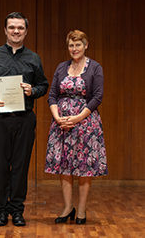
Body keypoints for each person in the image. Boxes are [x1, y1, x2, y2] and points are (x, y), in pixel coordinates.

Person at [0, 12, 49, 226]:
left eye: (20, 28)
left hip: (24, 119)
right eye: (11, 27)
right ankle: (1, 210)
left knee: (20, 166)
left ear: (26, 31)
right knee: (0, 166)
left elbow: (43, 85)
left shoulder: (34, 58)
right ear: (5, 30)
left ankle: (17, 210)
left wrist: (33, 91)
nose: (15, 31)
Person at [45, 30, 108, 225]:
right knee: (64, 164)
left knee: (83, 166)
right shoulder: (61, 67)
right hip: (62, 124)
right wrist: (58, 118)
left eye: (78, 44)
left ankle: (81, 208)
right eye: (71, 45)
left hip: (86, 124)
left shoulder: (95, 68)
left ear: (86, 45)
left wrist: (77, 118)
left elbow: (97, 97)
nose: (74, 49)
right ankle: (67, 207)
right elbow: (52, 95)